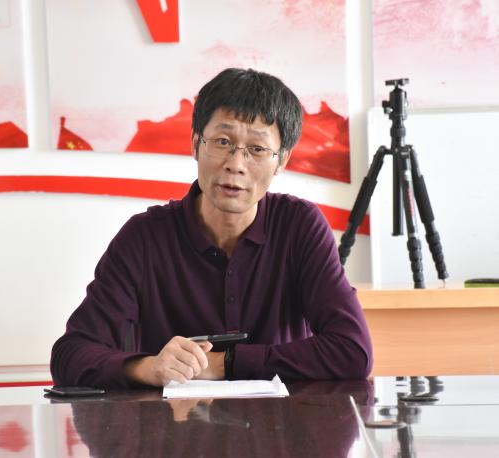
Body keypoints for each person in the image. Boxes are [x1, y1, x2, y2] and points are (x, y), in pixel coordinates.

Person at [51, 68, 373, 388]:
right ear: (195, 145)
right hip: (173, 421)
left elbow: (353, 351)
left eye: (257, 149)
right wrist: (150, 368)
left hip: (281, 420)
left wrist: (222, 363)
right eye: (222, 142)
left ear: (282, 161)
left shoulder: (299, 226)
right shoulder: (144, 237)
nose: (236, 164)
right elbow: (70, 355)